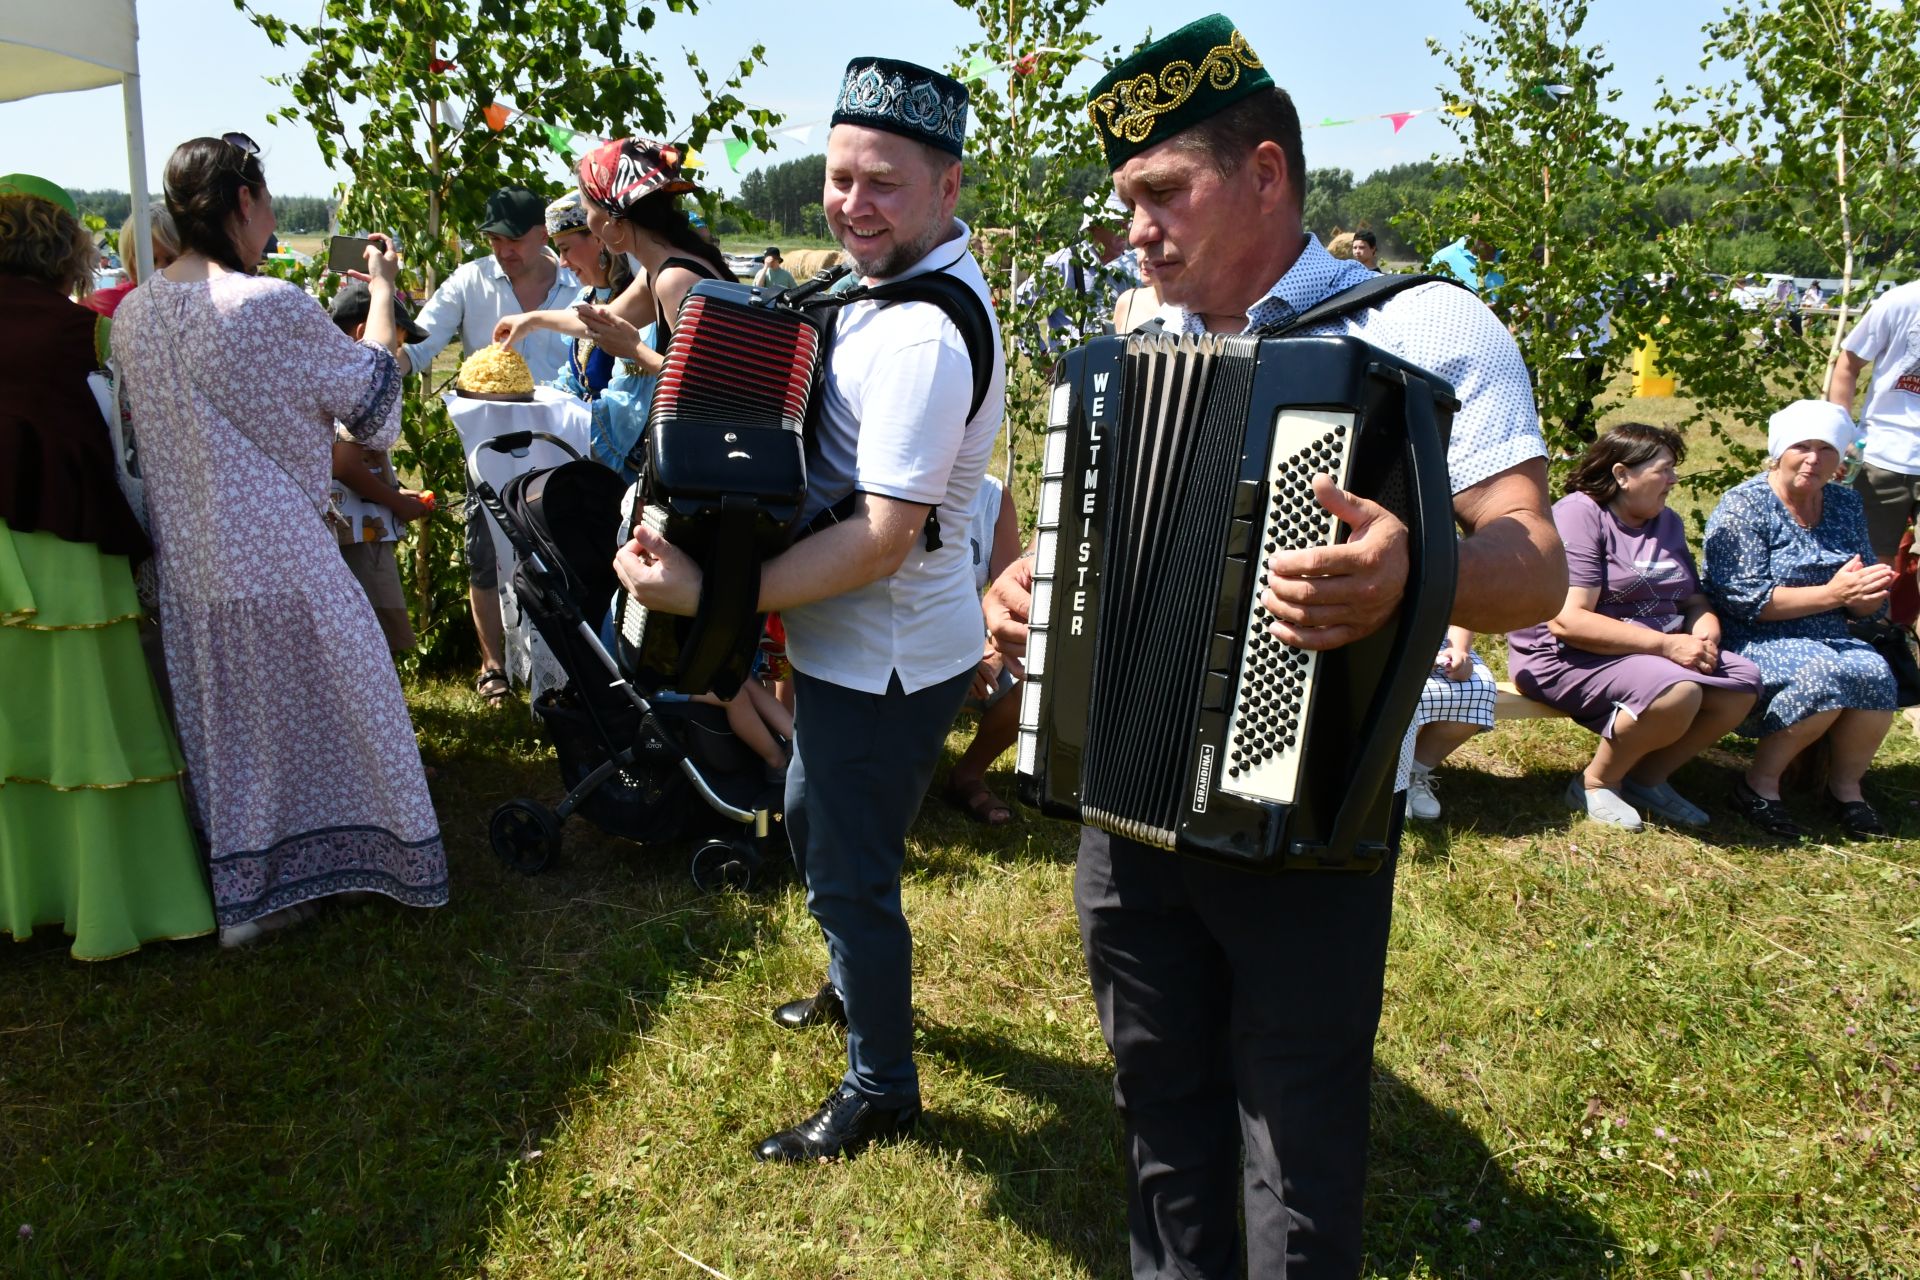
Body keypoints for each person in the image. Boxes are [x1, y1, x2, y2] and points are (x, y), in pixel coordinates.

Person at [983, 17, 1565, 1275]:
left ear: (1265, 174)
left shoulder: (1426, 325)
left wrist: (1423, 562)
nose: (1134, 229)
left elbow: (1541, 559)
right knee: (1156, 1106)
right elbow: (1091, 550)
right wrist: (1029, 588)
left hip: (1309, 818)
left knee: (1294, 1145)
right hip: (1125, 808)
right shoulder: (1139, 351)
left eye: (1161, 193)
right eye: (1126, 198)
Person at [614, 56, 1005, 1164]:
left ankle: (884, 1085)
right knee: (805, 805)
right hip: (848, 641)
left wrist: (707, 591)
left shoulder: (926, 334)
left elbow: (882, 540)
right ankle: (850, 982)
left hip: (885, 652)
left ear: (947, 187)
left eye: (883, 181)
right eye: (839, 176)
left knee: (849, 867)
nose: (852, 203)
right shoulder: (872, 289)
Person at [110, 135, 447, 945]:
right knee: (346, 716)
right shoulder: (265, 303)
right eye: (263, 201)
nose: (267, 219)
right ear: (242, 203)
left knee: (241, 737)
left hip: (191, 561)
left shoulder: (133, 312)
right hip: (279, 553)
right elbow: (370, 399)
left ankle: (256, 893)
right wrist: (386, 291)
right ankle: (363, 864)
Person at [0, 179, 214, 960]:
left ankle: (19, 893)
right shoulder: (81, 335)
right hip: (61, 543)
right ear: (65, 248)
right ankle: (104, 899)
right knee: (87, 727)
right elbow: (127, 454)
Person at [1506, 425, 1761, 830]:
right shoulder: (1580, 514)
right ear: (1622, 474)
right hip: (1564, 656)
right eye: (1665, 470)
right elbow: (1569, 621)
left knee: (1742, 683)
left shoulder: (1667, 523)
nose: (1674, 480)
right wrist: (1666, 646)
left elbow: (1689, 596)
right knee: (1677, 691)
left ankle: (1647, 778)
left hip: (1647, 650)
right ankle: (1596, 783)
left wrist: (1704, 622)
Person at [400, 186, 579, 707]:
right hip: (489, 449)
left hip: (560, 448)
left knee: (564, 557)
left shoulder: (575, 284)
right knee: (484, 555)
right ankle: (493, 667)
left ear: (543, 234)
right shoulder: (471, 279)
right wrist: (382, 343)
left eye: (514, 239)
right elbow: (423, 340)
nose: (503, 250)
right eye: (494, 239)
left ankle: (564, 667)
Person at [1704, 400, 1898, 840]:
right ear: (1779, 451)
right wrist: (1832, 594)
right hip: (1755, 633)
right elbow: (1743, 599)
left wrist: (1867, 598)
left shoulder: (1845, 504)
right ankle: (1758, 786)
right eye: (1802, 447)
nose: (1814, 459)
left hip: (1830, 630)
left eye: (1827, 449)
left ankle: (1846, 790)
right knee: (1822, 675)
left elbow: (1864, 591)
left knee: (1875, 671)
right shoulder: (1745, 505)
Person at [495, 192, 658, 482]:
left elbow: (626, 409)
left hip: (622, 472)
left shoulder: (638, 310)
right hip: (582, 454)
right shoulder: (587, 298)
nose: (563, 263)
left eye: (566, 249)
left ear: (598, 240)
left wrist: (563, 422)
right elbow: (574, 378)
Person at [327, 280, 434, 654]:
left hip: (357, 524)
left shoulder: (331, 375)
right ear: (364, 333)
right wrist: (395, 503)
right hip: (359, 534)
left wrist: (394, 492)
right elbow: (344, 462)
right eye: (396, 344)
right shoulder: (355, 384)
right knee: (372, 625)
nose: (397, 354)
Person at [945, 471, 1023, 826]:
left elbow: (1009, 594)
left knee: (1032, 678)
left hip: (972, 646)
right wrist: (957, 658)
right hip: (910, 643)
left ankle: (968, 774)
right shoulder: (900, 479)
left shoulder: (992, 495)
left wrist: (990, 649)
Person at [1828, 276, 1920, 565]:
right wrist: (1842, 435)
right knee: (1873, 565)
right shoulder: (1902, 301)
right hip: (1881, 456)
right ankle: (1878, 613)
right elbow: (1848, 364)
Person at [1402, 627, 1498, 821]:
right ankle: (1386, 780)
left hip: (1439, 642)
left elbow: (1463, 609)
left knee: (1480, 690)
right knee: (1408, 695)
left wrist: (1460, 651)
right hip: (1384, 642)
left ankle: (1412, 773)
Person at [82, 204, 181, 318]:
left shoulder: (196, 303)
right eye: (150, 261)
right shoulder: (103, 305)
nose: (159, 270)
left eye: (171, 260)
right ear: (130, 261)